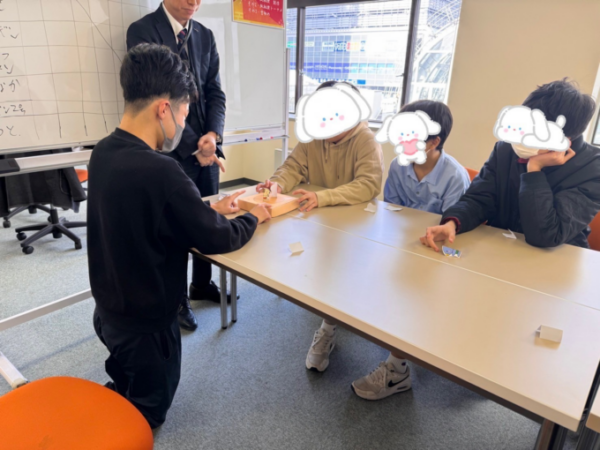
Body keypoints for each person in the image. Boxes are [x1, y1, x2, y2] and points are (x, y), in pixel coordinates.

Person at [87, 44, 271, 428]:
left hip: (109, 311)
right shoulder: (162, 172)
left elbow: (153, 213)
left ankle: (118, 394)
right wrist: (252, 217)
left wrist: (210, 208)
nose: (183, 127)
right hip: (148, 324)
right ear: (163, 109)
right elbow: (217, 239)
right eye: (184, 115)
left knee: (126, 372)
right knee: (150, 410)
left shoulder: (104, 152)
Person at [258, 80, 385, 373]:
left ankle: (333, 323)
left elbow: (368, 184)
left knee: (344, 276)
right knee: (322, 273)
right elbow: (292, 167)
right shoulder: (314, 135)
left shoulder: (366, 140)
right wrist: (277, 184)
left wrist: (322, 197)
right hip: (318, 221)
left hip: (354, 225)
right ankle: (328, 325)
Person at [351, 100, 470, 400]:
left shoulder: (454, 176)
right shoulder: (398, 165)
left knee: (413, 293)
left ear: (433, 142)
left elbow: (451, 235)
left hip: (436, 253)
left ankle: (397, 368)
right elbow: (390, 212)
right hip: (401, 246)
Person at [127, 0, 228, 332]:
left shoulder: (205, 35)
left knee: (207, 217)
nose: (193, 3)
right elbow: (157, 101)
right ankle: (179, 298)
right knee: (175, 228)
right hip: (170, 153)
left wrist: (212, 136)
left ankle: (202, 283)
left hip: (208, 150)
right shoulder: (142, 31)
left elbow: (215, 92)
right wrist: (193, 146)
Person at [420, 79, 600, 254]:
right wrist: (452, 223)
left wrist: (534, 170)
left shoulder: (592, 167)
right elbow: (479, 199)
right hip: (500, 247)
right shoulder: (506, 149)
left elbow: (547, 235)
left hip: (558, 259)